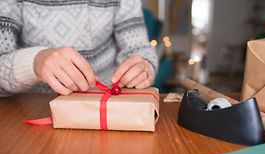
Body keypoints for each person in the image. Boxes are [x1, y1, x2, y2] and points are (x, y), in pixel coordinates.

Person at [0, 0, 158, 97]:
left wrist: (144, 66)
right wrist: (34, 63)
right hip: (29, 110)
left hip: (107, 107)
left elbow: (139, 49)